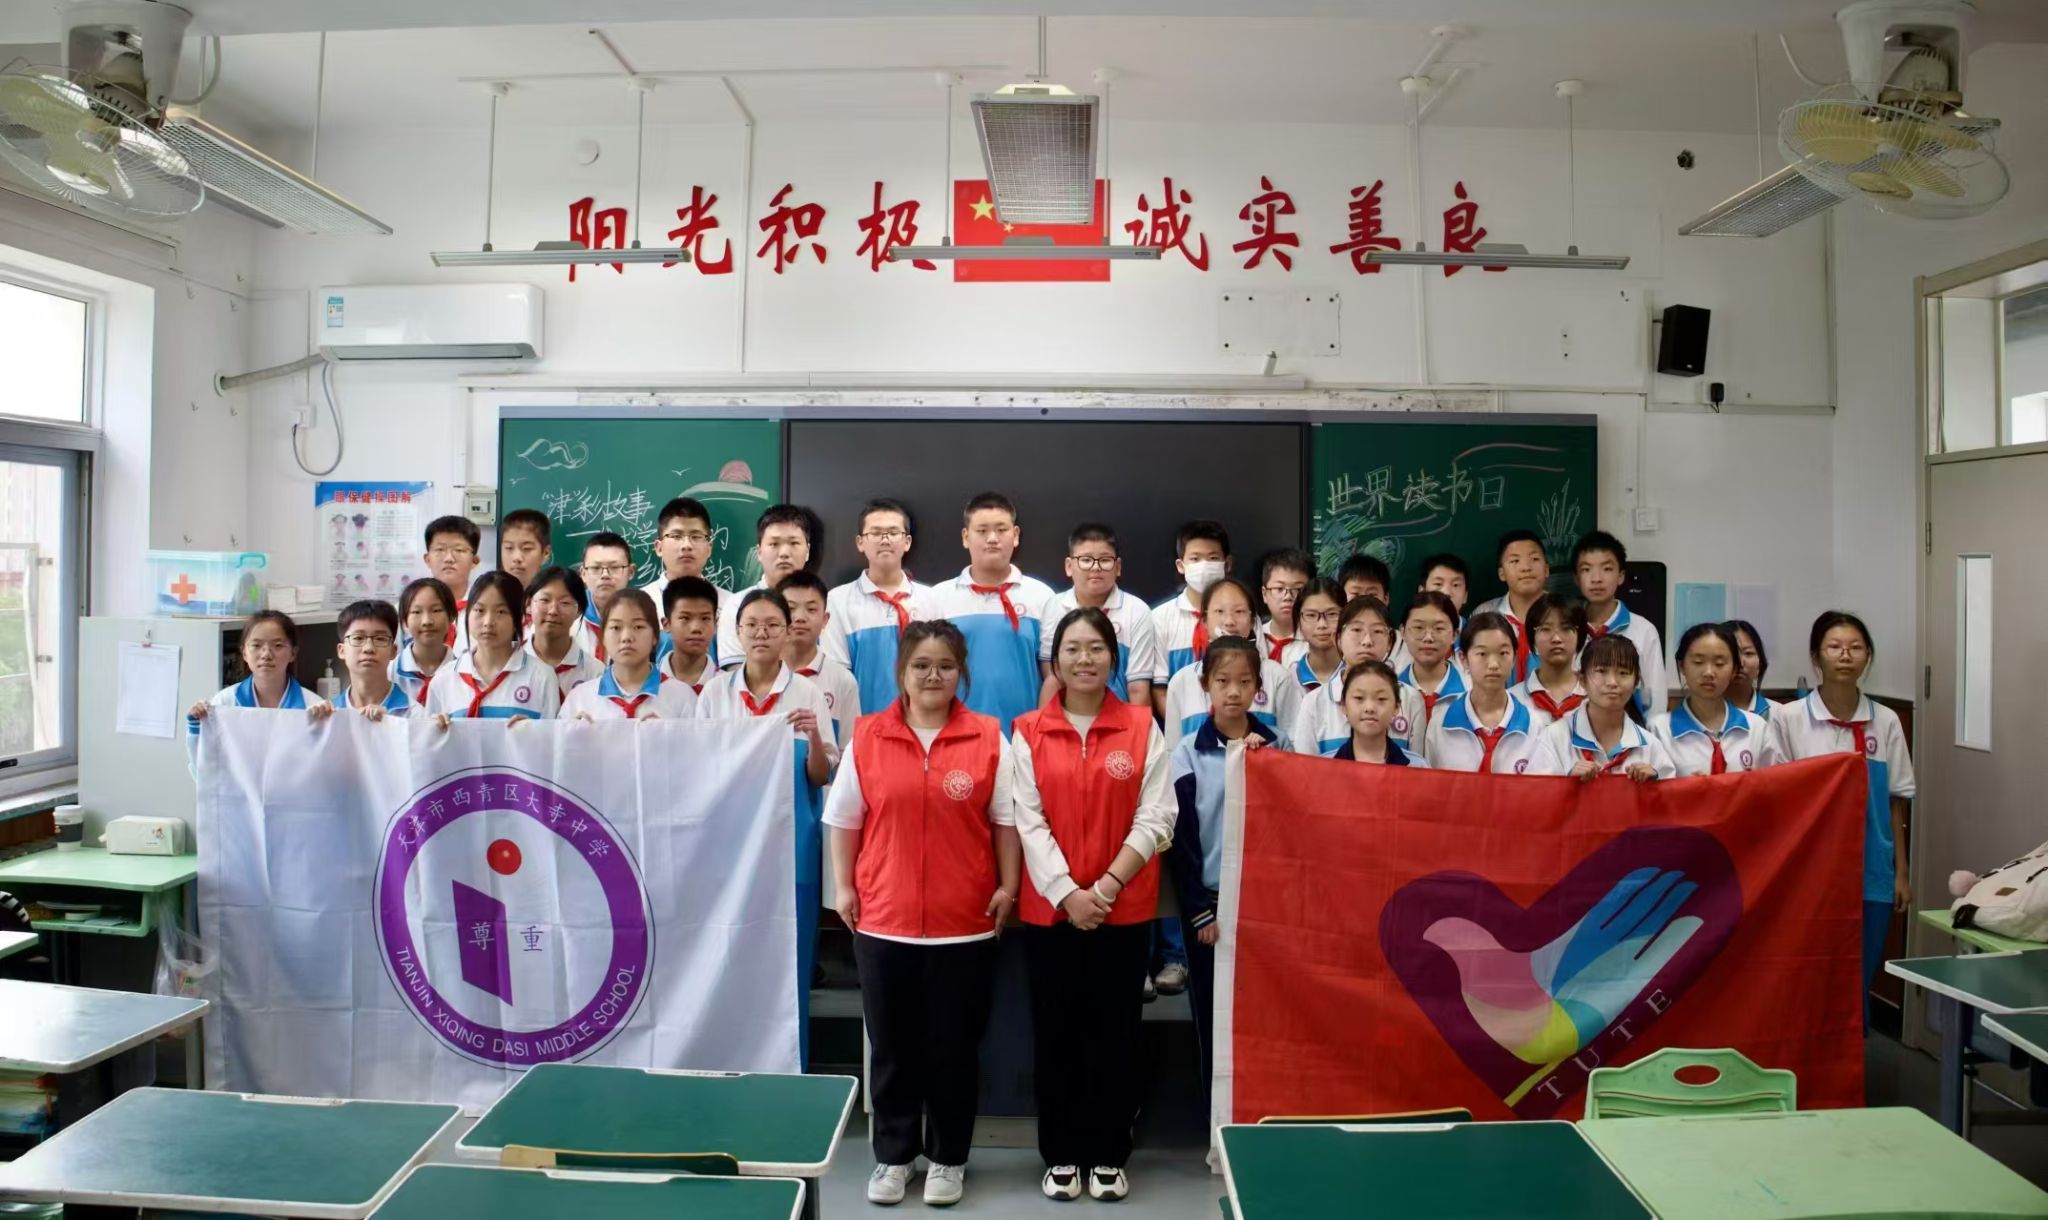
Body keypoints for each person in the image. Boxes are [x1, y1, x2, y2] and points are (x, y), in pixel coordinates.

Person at [824, 621, 1019, 1209]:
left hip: (965, 924)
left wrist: (1008, 885)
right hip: (884, 920)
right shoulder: (869, 736)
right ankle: (894, 1156)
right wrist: (844, 887)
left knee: (954, 1050)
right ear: (902, 673)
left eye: (946, 665)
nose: (934, 676)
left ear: (962, 672)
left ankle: (948, 1159)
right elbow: (844, 818)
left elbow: (1005, 820)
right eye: (921, 665)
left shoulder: (989, 737)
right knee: (891, 1049)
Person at [1010, 607, 1175, 1203]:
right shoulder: (1028, 730)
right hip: (1050, 914)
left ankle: (1108, 1152)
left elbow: (1158, 816)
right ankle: (1060, 1153)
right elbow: (1027, 820)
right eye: (1073, 649)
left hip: (1121, 911)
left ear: (1114, 658)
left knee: (1116, 1032)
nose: (1085, 659)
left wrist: (1103, 890)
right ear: (1055, 661)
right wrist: (1067, 894)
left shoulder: (1141, 726)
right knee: (1055, 1031)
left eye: (1096, 648)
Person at [696, 588, 838, 1063]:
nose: (761, 633)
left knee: (790, 963)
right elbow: (700, 769)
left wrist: (813, 736)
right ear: (736, 632)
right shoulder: (716, 693)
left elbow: (820, 776)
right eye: (752, 625)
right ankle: (732, 1062)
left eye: (772, 625)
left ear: (787, 632)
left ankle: (789, 1067)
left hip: (792, 848)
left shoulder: (807, 693)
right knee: (731, 958)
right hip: (730, 853)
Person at [1767, 611, 1914, 1017]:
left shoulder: (1886, 721)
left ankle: (1852, 1050)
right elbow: (1779, 797)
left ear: (1868, 656)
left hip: (1872, 868)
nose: (1845, 656)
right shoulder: (1788, 718)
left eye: (1855, 648)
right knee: (1809, 970)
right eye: (1834, 647)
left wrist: (1901, 872)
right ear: (1816, 657)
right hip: (1809, 868)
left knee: (1859, 971)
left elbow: (1896, 801)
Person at [1165, 637, 1281, 1104]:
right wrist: (1198, 911)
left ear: (1258, 686)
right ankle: (1214, 1112)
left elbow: (1287, 828)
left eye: (1245, 682)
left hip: (1261, 904)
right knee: (1212, 1010)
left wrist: (1265, 766)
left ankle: (1259, 1104)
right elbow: (1183, 842)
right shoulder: (1187, 753)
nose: (1234, 692)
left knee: (1262, 1008)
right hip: (1210, 907)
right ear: (1205, 685)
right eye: (1223, 681)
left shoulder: (1278, 747)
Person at [928, 492, 1057, 734]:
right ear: (966, 537)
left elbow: (1054, 675)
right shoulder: (938, 598)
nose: (992, 539)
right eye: (982, 530)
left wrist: (1043, 730)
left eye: (1001, 529)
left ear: (1015, 535)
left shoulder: (1042, 597)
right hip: (955, 735)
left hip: (1024, 735)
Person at [1161, 577, 1299, 754]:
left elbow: (1291, 745)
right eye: (1219, 611)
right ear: (1204, 621)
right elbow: (1172, 752)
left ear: (1252, 621)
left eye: (1239, 611)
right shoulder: (1181, 681)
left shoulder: (1277, 676)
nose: (1229, 621)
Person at [822, 498, 933, 715]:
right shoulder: (837, 601)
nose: (885, 540)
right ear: (860, 542)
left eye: (893, 532)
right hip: (864, 725)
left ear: (907, 542)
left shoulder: (930, 598)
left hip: (923, 725)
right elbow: (837, 677)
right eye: (875, 533)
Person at [1040, 523, 1160, 709]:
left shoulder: (1137, 611)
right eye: (1086, 560)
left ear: (1117, 567)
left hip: (1119, 719)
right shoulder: (1054, 606)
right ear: (1069, 566)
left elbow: (1138, 688)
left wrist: (1138, 726)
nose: (1095, 568)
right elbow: (1053, 677)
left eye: (1104, 560)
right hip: (1068, 717)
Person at [1292, 597, 1425, 759]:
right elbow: (1304, 769)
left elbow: (1415, 768)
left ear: (1390, 642)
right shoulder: (1314, 702)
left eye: (1377, 631)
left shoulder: (1410, 699)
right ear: (1337, 638)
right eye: (1356, 630)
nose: (1367, 641)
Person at [187, 611, 325, 764]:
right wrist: (196, 728)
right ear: (244, 653)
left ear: (293, 653)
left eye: (278, 645)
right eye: (256, 645)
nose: (266, 654)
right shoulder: (224, 702)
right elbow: (206, 769)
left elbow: (322, 767)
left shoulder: (313, 706)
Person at [1422, 612, 1550, 774]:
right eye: (1482, 654)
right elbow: (1431, 785)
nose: (1493, 664)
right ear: (1463, 659)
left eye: (1503, 653)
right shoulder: (1440, 724)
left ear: (1514, 658)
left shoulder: (1534, 725)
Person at [425, 571, 560, 724]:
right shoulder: (444, 679)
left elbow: (554, 737)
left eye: (501, 612)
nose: (488, 622)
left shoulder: (542, 677)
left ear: (518, 618)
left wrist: (534, 733)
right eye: (479, 610)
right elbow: (428, 737)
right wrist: (435, 729)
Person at [1537, 635, 1674, 781]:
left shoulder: (1650, 745)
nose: (1612, 682)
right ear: (1582, 680)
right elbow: (1535, 791)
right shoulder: (1554, 737)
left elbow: (1671, 792)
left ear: (1636, 682)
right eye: (1601, 671)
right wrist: (1566, 782)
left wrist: (1655, 783)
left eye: (1623, 673)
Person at [1651, 623, 1776, 776]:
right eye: (1698, 662)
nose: (1709, 672)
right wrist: (1682, 787)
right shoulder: (1659, 729)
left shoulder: (1756, 728)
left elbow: (1773, 783)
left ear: (1734, 670)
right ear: (1682, 666)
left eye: (1719, 664)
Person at [1573, 531, 1667, 718]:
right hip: (1573, 730)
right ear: (1576, 579)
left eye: (1607, 569)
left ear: (1621, 576)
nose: (1596, 578)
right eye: (1586, 570)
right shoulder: (1568, 630)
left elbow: (1655, 698)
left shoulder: (1643, 630)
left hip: (1626, 730)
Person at [716, 504, 817, 668]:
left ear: (807, 551)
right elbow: (735, 674)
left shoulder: (822, 606)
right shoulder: (736, 605)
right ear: (759, 552)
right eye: (774, 544)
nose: (784, 553)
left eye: (794, 543)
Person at [1148, 519, 1232, 710]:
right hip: (1181, 724)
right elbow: (1160, 691)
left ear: (1227, 564)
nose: (1204, 566)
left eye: (1213, 558)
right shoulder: (1160, 618)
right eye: (1195, 559)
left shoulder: (1243, 615)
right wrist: (1180, 725)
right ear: (1181, 565)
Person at [642, 496, 736, 661]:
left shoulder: (731, 604)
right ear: (659, 548)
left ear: (709, 548)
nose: (686, 545)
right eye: (676, 536)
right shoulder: (641, 603)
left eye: (696, 536)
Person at [780, 570, 861, 751]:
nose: (800, 617)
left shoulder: (843, 681)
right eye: (791, 608)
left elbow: (850, 751)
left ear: (825, 619)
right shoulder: (763, 675)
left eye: (811, 609)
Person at [1472, 529, 1550, 684]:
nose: (1526, 567)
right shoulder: (1484, 614)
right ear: (1501, 574)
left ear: (1547, 569)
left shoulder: (1566, 614)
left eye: (1534, 559)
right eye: (1515, 561)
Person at [316, 600, 409, 719]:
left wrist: (389, 725)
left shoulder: (414, 715)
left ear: (393, 651)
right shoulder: (328, 716)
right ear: (341, 650)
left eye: (380, 639)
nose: (369, 648)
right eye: (358, 638)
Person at [525, 566, 603, 702]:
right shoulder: (509, 663)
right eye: (545, 600)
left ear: (579, 611)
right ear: (528, 605)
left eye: (565, 603)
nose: (553, 611)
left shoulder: (596, 673)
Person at [1333, 661, 1428, 767]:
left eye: (1381, 699)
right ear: (1344, 705)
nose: (1369, 708)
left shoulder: (1417, 767)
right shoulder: (1325, 766)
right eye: (1359, 698)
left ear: (1396, 707)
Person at [1514, 593, 1588, 723]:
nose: (1556, 639)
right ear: (1533, 639)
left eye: (1566, 629)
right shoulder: (1513, 700)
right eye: (1545, 629)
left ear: (1580, 637)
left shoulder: (1596, 696)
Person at [1391, 552, 1472, 671]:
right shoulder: (1399, 641)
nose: (1446, 592)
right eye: (1438, 584)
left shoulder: (1476, 637)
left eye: (1455, 585)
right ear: (1422, 592)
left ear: (1465, 596)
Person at [1399, 591, 1469, 723]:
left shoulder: (1470, 691)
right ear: (1402, 632)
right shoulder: (1389, 691)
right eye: (1418, 627)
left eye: (1439, 629)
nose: (1428, 638)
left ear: (1455, 635)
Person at [391, 577, 455, 707]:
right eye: (416, 612)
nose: (427, 621)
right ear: (404, 621)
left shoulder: (463, 674)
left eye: (436, 610)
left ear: (451, 616)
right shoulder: (389, 674)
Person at [575, 531, 638, 660]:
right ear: (583, 574)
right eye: (596, 568)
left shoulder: (645, 617)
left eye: (614, 567)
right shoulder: (567, 617)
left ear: (631, 572)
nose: (605, 575)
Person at [422, 515, 482, 652]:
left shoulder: (488, 610)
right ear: (427, 559)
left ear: (475, 561)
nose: (449, 558)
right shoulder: (407, 609)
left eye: (459, 550)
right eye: (440, 550)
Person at [1281, 577, 1346, 698]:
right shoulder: (1288, 678)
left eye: (1332, 614)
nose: (1322, 624)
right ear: (1298, 621)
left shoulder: (1359, 673)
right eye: (1311, 615)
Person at [659, 576, 720, 694]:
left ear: (715, 624)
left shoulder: (730, 688)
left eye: (705, 618)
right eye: (685, 618)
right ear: (666, 624)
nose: (696, 628)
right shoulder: (646, 685)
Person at [1255, 549, 1315, 665]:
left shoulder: (1316, 641)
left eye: (1298, 589)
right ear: (1264, 594)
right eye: (1279, 589)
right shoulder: (1254, 637)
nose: (1288, 597)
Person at [1724, 619, 1784, 719]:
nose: (1740, 662)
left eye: (1748, 653)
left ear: (1760, 664)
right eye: (1732, 653)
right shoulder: (1702, 714)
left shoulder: (1779, 714)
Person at [498, 508, 553, 589]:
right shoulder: (489, 593)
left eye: (527, 549)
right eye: (509, 548)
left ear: (546, 553)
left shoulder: (556, 594)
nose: (517, 558)